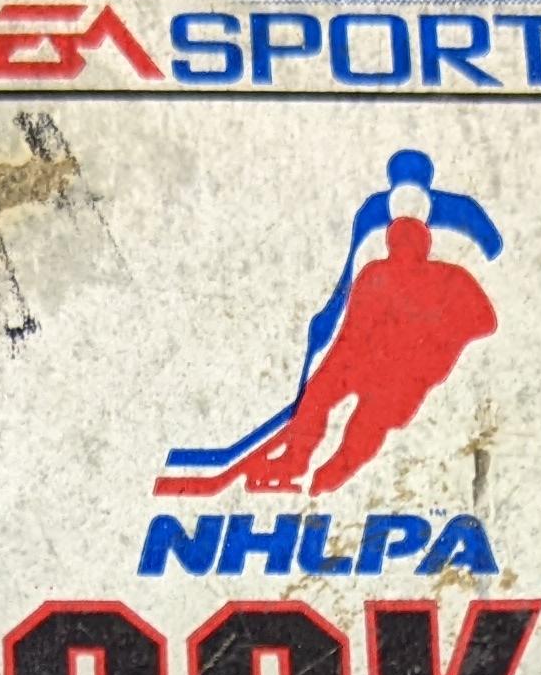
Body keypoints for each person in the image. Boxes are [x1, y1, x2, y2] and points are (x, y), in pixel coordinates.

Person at [158, 151, 502, 497]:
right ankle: (296, 459)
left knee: (367, 421)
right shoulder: (376, 272)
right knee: (319, 394)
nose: (401, 245)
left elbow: (485, 320)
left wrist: (436, 352)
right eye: (397, 238)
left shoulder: (450, 279)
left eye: (408, 238)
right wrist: (326, 364)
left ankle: (329, 475)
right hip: (365, 360)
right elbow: (351, 331)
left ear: (424, 241)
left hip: (402, 373)